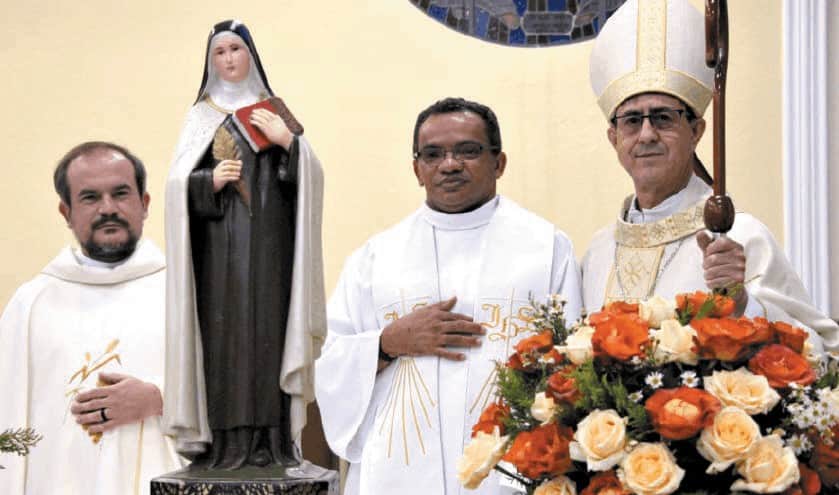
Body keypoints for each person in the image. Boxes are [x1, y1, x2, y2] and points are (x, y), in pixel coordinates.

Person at [315, 97, 583, 494]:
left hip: (512, 469)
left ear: (500, 162)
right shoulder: (375, 258)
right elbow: (328, 362)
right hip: (399, 474)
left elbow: (574, 361)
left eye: (468, 151)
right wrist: (387, 343)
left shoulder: (546, 248)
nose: (450, 164)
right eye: (433, 154)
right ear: (416, 169)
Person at [581, 0, 838, 351]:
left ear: (697, 131)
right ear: (614, 138)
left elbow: (824, 352)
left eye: (662, 117)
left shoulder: (741, 236)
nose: (646, 135)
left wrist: (743, 302)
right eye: (631, 121)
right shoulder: (598, 252)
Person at [162, 20, 325, 469]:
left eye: (236, 49)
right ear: (210, 61)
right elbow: (177, 187)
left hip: (272, 250)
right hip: (217, 258)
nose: (229, 58)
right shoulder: (199, 116)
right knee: (223, 341)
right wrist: (206, 182)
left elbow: (309, 177)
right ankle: (222, 446)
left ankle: (273, 445)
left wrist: (288, 143)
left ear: (250, 55)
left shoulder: (272, 110)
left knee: (268, 337)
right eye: (220, 52)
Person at [0, 142, 184, 494]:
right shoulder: (30, 305)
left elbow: (235, 390)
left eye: (121, 194)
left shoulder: (187, 292)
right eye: (89, 198)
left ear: (144, 204)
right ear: (65, 212)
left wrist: (161, 398)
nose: (108, 209)